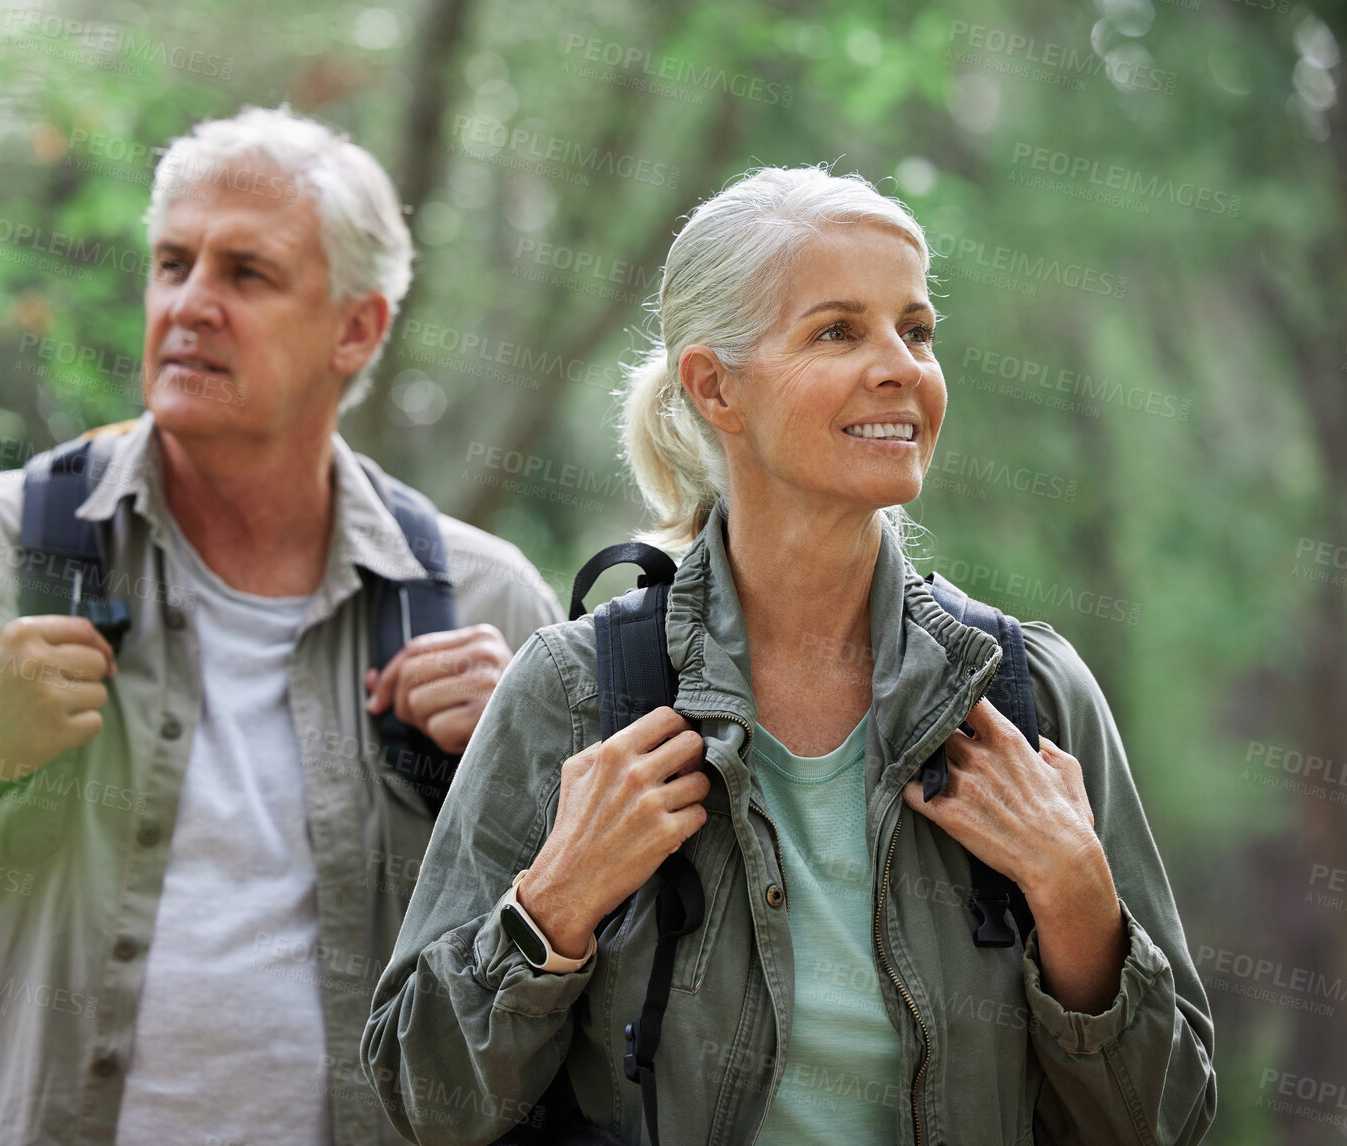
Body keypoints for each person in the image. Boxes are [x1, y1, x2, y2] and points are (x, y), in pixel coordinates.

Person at [0, 105, 560, 1146]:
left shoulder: (484, 600)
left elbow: (571, 990)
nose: (190, 305)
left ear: (357, 329)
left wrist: (521, 782)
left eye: (246, 274)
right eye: (172, 264)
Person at [361, 165, 1216, 1145]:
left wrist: (1076, 905)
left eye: (917, 329)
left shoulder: (1027, 696)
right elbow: (421, 1103)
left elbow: (1166, 1124)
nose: (900, 364)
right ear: (714, 386)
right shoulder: (572, 694)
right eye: (837, 331)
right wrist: (552, 905)